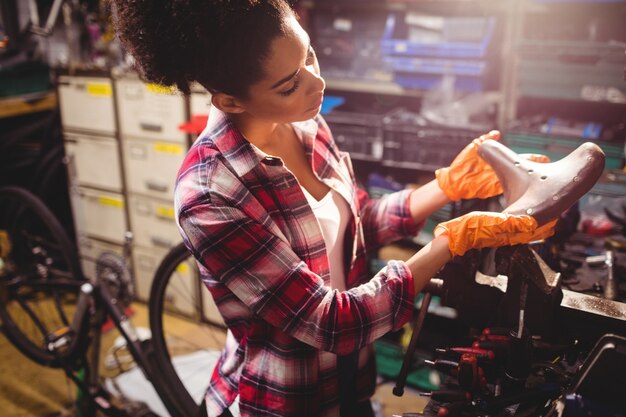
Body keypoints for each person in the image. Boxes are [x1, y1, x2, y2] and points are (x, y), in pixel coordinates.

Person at [111, 1, 555, 416]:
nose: (316, 83)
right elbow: (333, 322)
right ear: (230, 101)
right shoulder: (210, 196)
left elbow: (356, 226)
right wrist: (450, 240)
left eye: (309, 56)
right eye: (290, 85)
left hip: (353, 385)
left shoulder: (305, 123)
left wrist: (445, 187)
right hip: (290, 399)